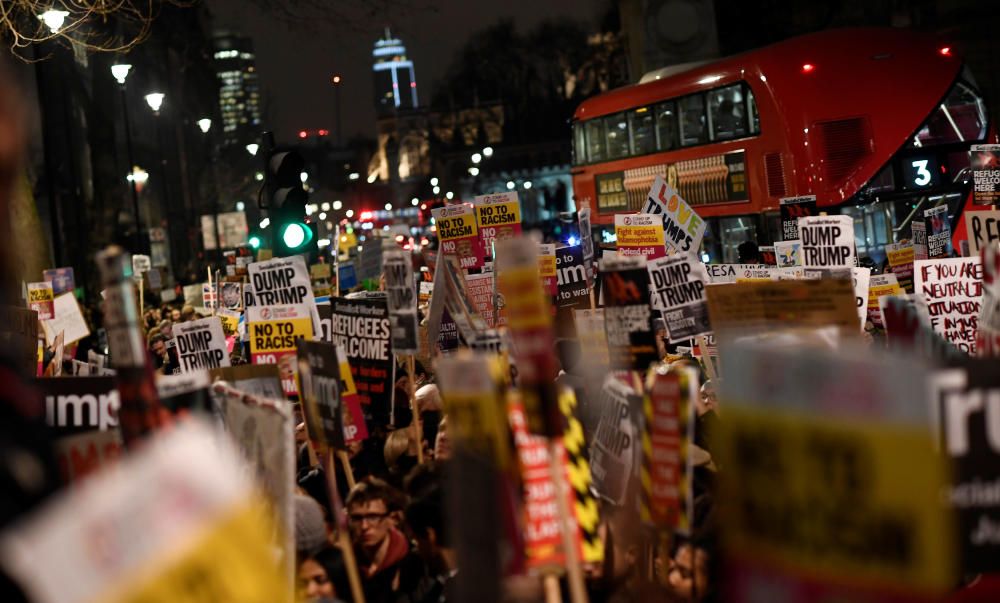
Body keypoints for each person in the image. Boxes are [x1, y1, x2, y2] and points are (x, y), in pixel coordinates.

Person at [346, 478, 425, 602]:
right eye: (356, 518)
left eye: (373, 516)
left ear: (392, 518)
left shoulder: (415, 565)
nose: (364, 526)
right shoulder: (345, 566)